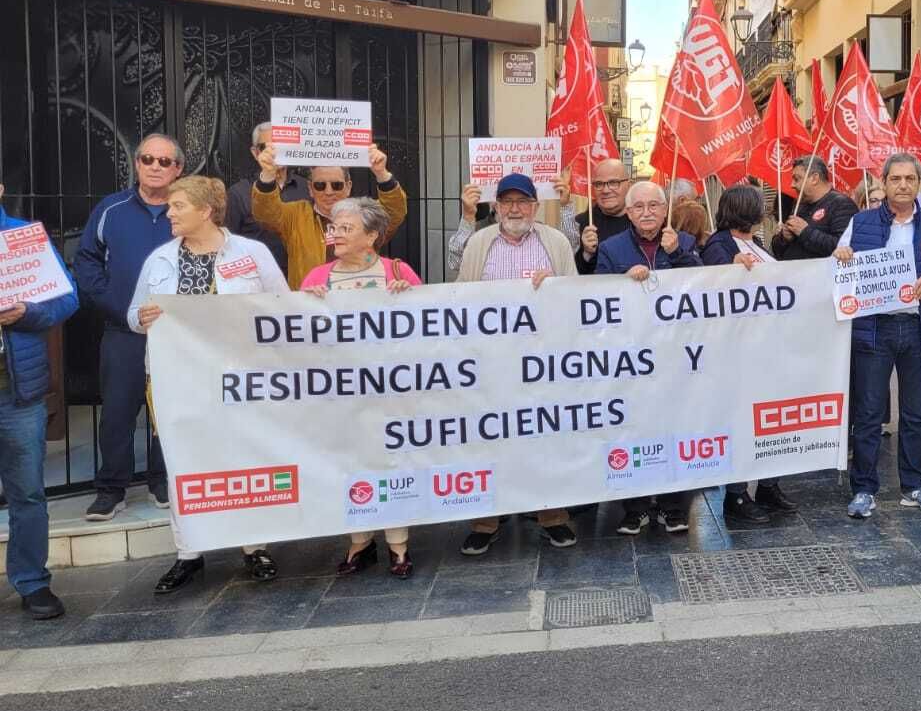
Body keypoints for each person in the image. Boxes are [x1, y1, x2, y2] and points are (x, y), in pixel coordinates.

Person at [128, 176, 289, 593]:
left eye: (178, 205)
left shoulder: (252, 253)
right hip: (177, 378)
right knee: (184, 463)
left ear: (205, 211)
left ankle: (254, 547)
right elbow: (134, 314)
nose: (169, 213)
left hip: (239, 376)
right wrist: (140, 318)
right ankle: (189, 553)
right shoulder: (160, 259)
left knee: (245, 458)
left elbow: (281, 305)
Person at [451, 173, 582, 553]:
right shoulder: (480, 243)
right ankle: (486, 521)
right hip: (491, 362)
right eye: (507, 201)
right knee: (489, 439)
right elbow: (459, 295)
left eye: (522, 201)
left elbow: (575, 294)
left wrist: (554, 287)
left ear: (535, 206)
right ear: (495, 207)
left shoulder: (555, 242)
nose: (514, 209)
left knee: (546, 437)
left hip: (543, 361)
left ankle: (552, 516)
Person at [301, 197, 425, 578]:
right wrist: (307, 306)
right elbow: (298, 340)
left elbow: (430, 329)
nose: (336, 234)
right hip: (342, 396)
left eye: (346, 228)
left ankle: (398, 544)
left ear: (371, 236)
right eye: (334, 227)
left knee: (392, 462)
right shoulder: (316, 278)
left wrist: (410, 299)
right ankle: (359, 540)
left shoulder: (398, 272)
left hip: (391, 394)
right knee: (350, 462)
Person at [75, 134, 185, 520]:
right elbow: (86, 261)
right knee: (117, 412)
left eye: (165, 161)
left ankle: (162, 480)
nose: (155, 166)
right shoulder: (112, 208)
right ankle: (111, 488)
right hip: (123, 329)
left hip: (176, 333)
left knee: (168, 409)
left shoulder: (187, 209)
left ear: (178, 169)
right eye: (147, 159)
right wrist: (119, 307)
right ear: (136, 164)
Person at [833, 154, 921, 519]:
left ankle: (914, 485)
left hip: (917, 327)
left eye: (910, 179)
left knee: (915, 414)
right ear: (883, 183)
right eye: (895, 178)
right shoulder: (860, 222)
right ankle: (864, 489)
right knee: (869, 414)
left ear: (919, 183)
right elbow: (839, 264)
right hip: (874, 328)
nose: (902, 185)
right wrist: (841, 255)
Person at [596, 180, 703, 533]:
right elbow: (596, 297)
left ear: (665, 209)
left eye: (653, 206)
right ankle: (636, 506)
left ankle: (673, 506)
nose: (646, 213)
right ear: (628, 213)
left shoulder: (684, 241)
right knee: (635, 429)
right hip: (632, 357)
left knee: (675, 427)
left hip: (675, 354)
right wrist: (622, 282)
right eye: (638, 207)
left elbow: (704, 286)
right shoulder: (611, 248)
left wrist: (678, 254)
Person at [0, 184, 78, 619]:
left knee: (27, 493)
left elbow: (68, 300)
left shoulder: (25, 238)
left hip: (18, 395)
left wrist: (27, 313)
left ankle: (32, 582)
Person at [700, 184, 798, 525]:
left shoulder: (755, 242)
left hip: (766, 349)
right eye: (758, 206)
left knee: (769, 419)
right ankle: (737, 494)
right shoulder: (719, 246)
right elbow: (711, 288)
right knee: (740, 421)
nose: (764, 211)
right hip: (736, 352)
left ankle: (769, 485)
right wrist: (729, 268)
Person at [252, 141, 407, 289]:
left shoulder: (363, 214)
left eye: (336, 185)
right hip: (311, 301)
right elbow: (266, 214)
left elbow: (393, 213)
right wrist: (268, 175)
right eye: (320, 185)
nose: (328, 192)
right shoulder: (296, 215)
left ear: (348, 187)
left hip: (358, 298)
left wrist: (382, 174)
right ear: (310, 189)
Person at [225, 122, 309, 273]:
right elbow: (228, 243)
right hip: (257, 278)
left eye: (280, 146)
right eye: (266, 147)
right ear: (255, 152)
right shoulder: (238, 193)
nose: (274, 152)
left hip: (303, 277)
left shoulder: (308, 187)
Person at [773, 156, 856, 261]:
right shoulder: (800, 205)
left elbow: (843, 248)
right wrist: (783, 238)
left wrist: (805, 232)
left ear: (814, 178)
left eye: (797, 179)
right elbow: (777, 252)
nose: (792, 185)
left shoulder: (841, 204)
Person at [568, 159, 633, 276]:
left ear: (629, 185)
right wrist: (586, 254)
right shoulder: (581, 223)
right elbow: (570, 275)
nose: (605, 190)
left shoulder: (642, 221)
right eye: (599, 184)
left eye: (613, 182)